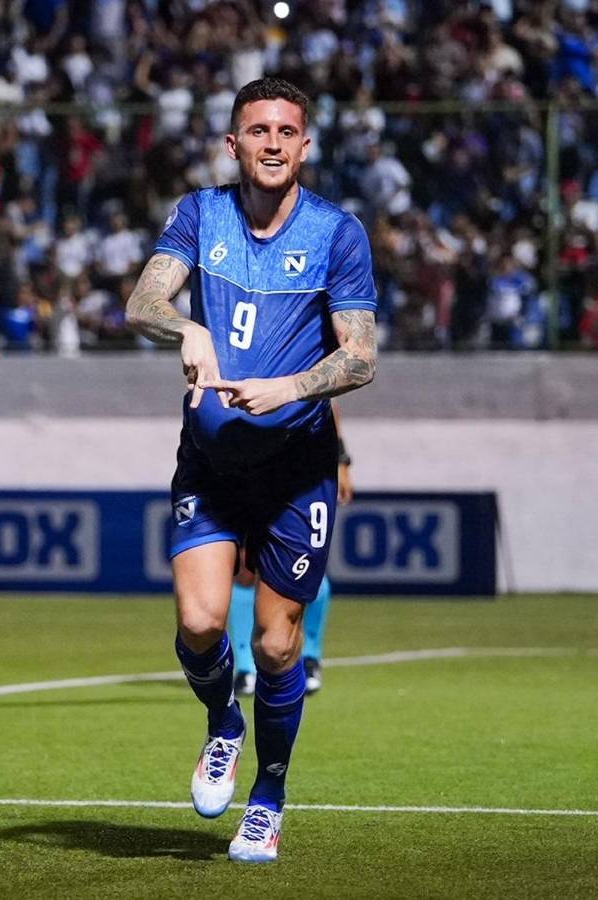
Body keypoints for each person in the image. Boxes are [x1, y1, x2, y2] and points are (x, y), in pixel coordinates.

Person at [125, 77, 377, 863]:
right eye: (257, 130)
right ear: (233, 145)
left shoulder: (338, 233)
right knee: (200, 625)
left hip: (297, 470)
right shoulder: (200, 215)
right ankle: (222, 726)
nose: (272, 142)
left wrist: (291, 386)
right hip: (208, 464)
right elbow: (141, 303)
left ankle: (267, 798)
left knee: (275, 646)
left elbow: (360, 355)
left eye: (286, 130)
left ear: (305, 145)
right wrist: (185, 327)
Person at [229, 400, 354, 698]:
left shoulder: (301, 355)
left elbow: (330, 400)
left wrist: (341, 461)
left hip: (303, 467)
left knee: (303, 563)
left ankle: (309, 657)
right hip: (244, 463)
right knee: (246, 566)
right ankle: (247, 668)